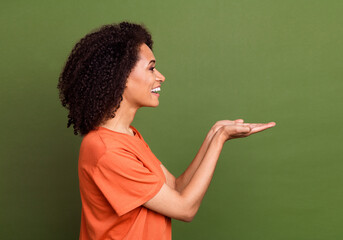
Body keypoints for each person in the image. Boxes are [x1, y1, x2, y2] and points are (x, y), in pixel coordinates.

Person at [58, 22, 276, 240]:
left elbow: (175, 187)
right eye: (151, 68)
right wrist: (221, 138)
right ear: (121, 77)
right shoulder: (105, 150)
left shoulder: (128, 137)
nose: (160, 77)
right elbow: (185, 209)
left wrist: (214, 133)